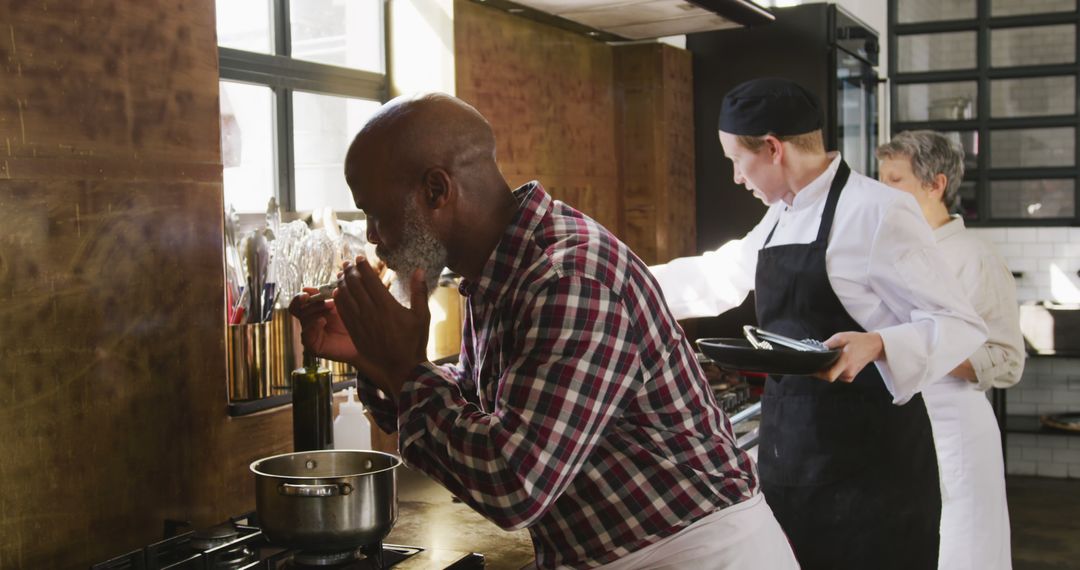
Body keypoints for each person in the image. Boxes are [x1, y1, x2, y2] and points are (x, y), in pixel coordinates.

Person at [288, 93, 799, 569]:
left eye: (376, 213)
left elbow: (514, 483)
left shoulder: (567, 278)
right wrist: (374, 358)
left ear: (436, 190)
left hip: (699, 556)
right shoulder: (498, 273)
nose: (372, 237)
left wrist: (403, 369)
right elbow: (481, 411)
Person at [650, 78, 988, 570]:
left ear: (773, 149)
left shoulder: (878, 211)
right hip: (793, 450)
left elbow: (959, 323)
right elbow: (718, 276)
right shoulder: (780, 217)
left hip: (871, 467)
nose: (736, 177)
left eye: (737, 161)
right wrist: (622, 279)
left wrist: (879, 343)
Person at [878, 130, 1023, 570]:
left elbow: (1007, 359)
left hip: (955, 432)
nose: (882, 192)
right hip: (900, 428)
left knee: (962, 550)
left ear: (935, 185)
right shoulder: (889, 252)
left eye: (895, 180)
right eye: (880, 180)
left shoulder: (973, 257)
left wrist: (910, 350)